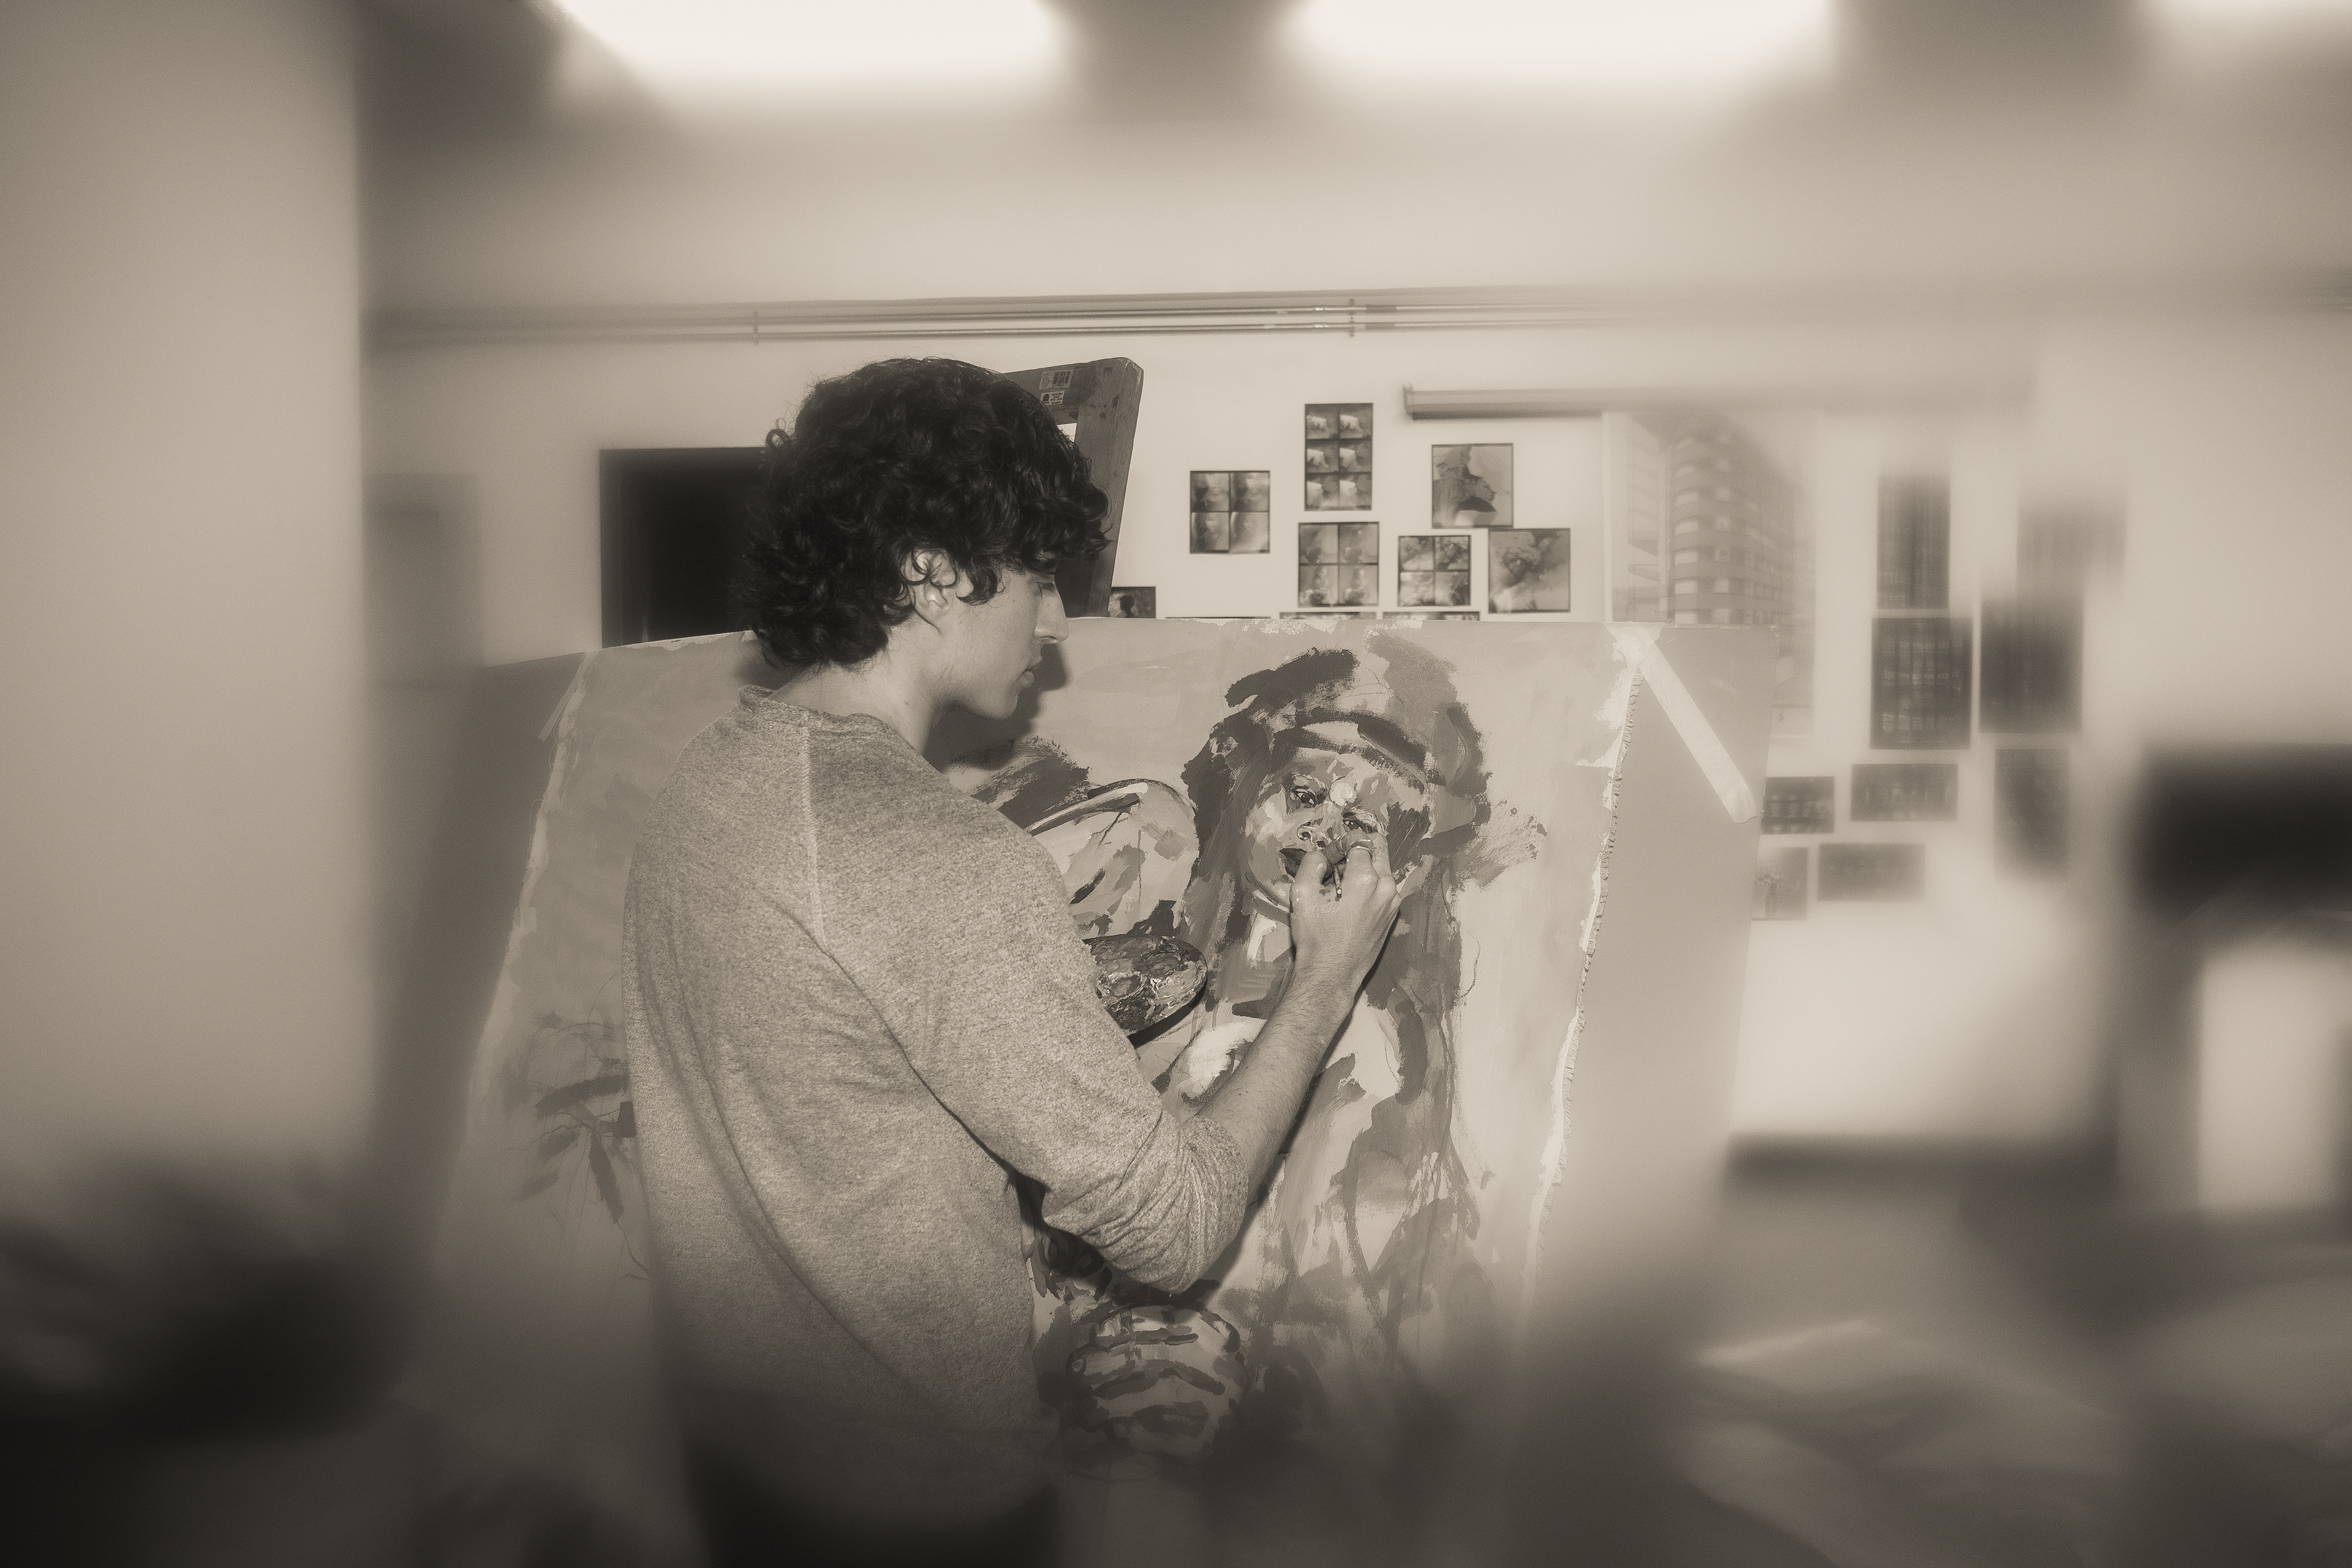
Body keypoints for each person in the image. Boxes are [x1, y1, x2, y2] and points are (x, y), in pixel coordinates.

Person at [619, 358, 1405, 1567]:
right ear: (931, 569)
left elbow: (825, 1073)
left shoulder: (706, 787)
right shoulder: (940, 858)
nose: (1055, 622)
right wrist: (1324, 984)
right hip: (909, 1507)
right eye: (1040, 575)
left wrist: (1044, 1003)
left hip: (735, 1465)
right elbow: (1176, 1227)